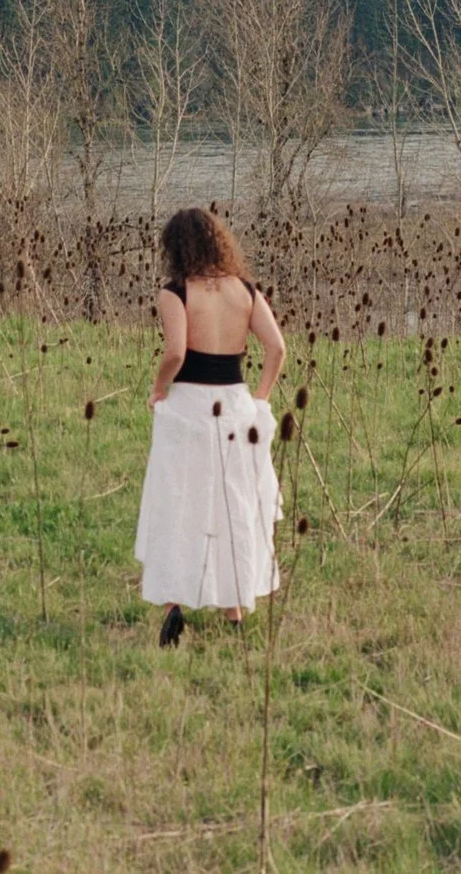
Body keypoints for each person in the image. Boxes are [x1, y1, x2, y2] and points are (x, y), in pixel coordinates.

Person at [134, 206, 287, 645]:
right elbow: (276, 349)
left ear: (175, 248)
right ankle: (234, 609)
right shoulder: (245, 290)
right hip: (236, 407)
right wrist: (259, 398)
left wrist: (158, 390)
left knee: (179, 502)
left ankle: (173, 606)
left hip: (189, 408)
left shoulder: (176, 292)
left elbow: (176, 353)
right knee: (231, 503)